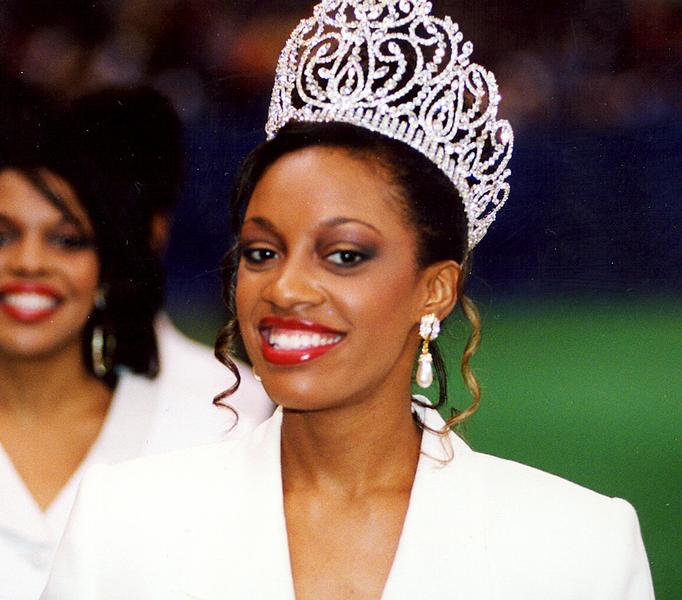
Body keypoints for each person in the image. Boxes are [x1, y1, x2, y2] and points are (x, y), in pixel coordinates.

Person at [41, 2, 654, 598]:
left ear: (434, 289)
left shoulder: (580, 548)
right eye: (262, 252)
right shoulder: (120, 524)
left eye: (344, 256)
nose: (285, 289)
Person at [0, 80, 272, 600]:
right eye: (2, 235)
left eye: (66, 240)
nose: (28, 262)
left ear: (107, 261)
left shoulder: (232, 413)